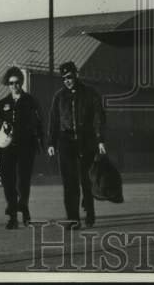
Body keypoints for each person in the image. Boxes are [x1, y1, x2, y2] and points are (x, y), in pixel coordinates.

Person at [47, 61, 106, 228]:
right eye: (64, 78)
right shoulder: (59, 97)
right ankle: (73, 219)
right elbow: (54, 121)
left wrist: (100, 139)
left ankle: (90, 210)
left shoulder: (90, 93)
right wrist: (51, 142)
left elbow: (99, 118)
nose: (67, 80)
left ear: (76, 74)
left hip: (86, 140)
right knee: (69, 182)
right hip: (66, 142)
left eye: (70, 77)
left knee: (86, 179)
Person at [0, 66, 44, 229]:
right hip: (7, 149)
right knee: (8, 182)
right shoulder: (2, 104)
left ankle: (24, 208)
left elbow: (39, 123)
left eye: (17, 82)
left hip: (26, 147)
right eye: (11, 83)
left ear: (22, 82)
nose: (14, 86)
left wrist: (40, 140)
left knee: (23, 181)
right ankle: (12, 216)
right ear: (8, 84)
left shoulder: (31, 102)